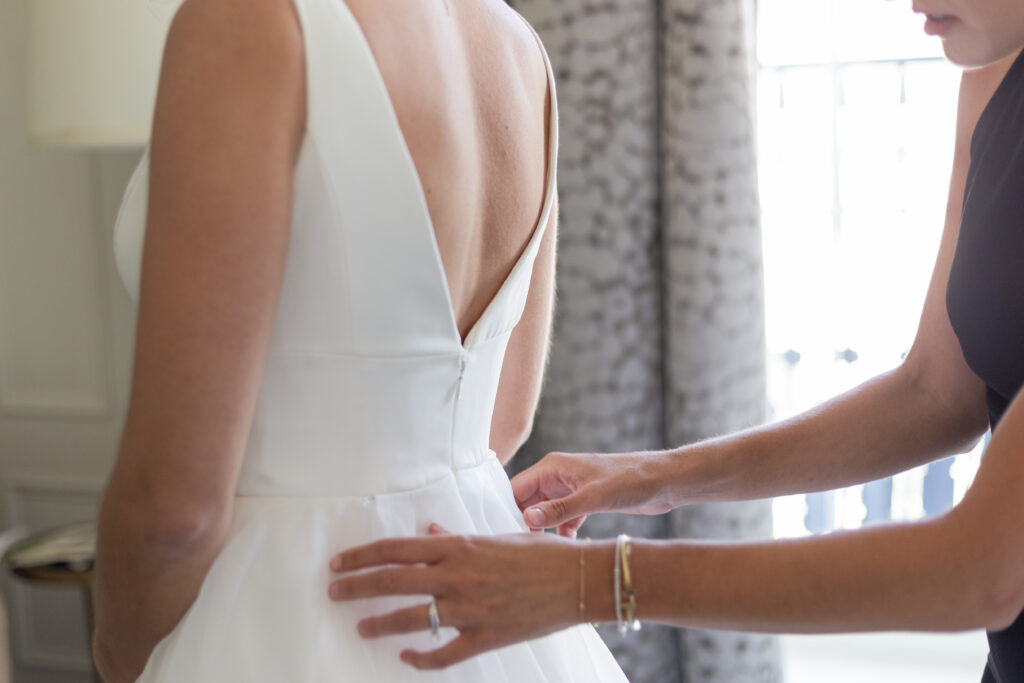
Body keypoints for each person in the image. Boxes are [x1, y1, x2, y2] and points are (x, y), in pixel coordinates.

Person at [327, 2, 1024, 681]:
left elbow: (982, 571)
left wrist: (593, 581)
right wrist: (653, 476)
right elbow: (935, 391)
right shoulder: (992, 68)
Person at [89, 0, 629, 680]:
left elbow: (174, 510)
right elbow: (505, 419)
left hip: (279, 612)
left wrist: (119, 654)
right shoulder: (519, 47)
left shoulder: (247, 22)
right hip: (488, 612)